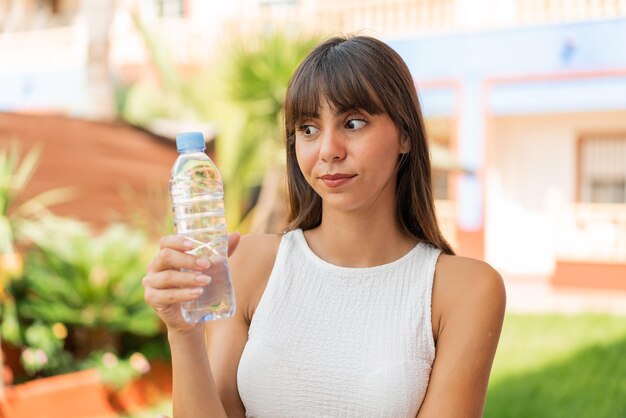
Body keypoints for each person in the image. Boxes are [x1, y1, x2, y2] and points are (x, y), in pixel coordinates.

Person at [143, 34, 506, 418]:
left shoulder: (463, 291)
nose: (328, 150)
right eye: (308, 129)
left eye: (352, 123)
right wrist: (183, 335)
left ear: (405, 135)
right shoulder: (249, 264)